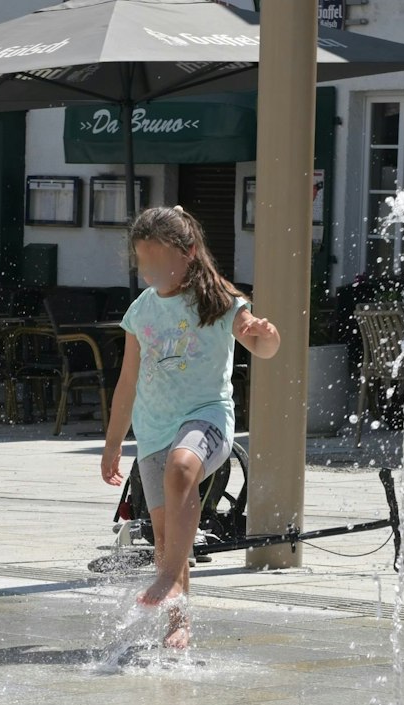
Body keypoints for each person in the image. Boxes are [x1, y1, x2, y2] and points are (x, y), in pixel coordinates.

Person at [100, 206, 279, 650]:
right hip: (154, 427)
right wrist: (113, 445)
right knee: (165, 535)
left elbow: (264, 348)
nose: (151, 271)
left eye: (160, 260)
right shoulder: (141, 311)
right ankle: (178, 622)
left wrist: (265, 332)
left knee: (183, 468)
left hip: (207, 417)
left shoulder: (219, 301)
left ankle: (165, 578)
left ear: (190, 252)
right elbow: (126, 383)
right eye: (143, 262)